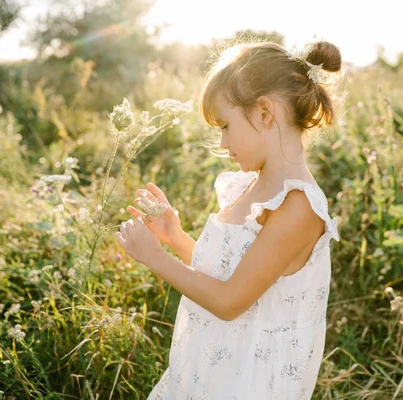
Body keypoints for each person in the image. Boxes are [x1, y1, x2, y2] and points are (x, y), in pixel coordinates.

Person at [116, 37, 343, 399]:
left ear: (264, 113)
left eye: (224, 126)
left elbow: (230, 301)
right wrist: (176, 239)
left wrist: (155, 259)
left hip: (249, 378)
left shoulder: (297, 205)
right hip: (214, 362)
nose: (222, 143)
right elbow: (229, 275)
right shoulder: (250, 187)